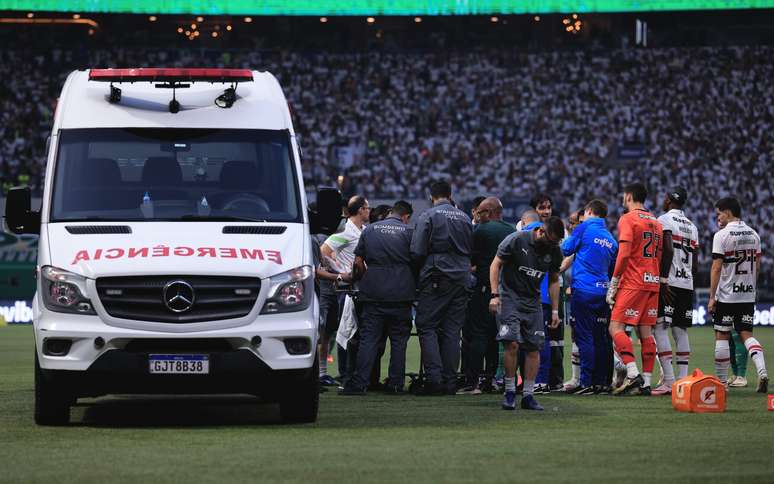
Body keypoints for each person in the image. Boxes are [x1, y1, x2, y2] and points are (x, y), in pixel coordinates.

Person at [340, 201, 416, 395]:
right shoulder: (409, 232)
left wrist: (363, 277)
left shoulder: (370, 230)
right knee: (399, 341)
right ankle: (396, 384)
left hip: (373, 291)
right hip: (401, 292)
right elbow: (417, 260)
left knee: (369, 340)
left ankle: (360, 384)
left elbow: (358, 262)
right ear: (405, 216)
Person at [490, 216, 564, 411]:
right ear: (541, 231)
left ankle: (528, 396)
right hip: (510, 298)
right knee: (512, 343)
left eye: (555, 243)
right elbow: (495, 264)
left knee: (533, 348)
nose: (552, 245)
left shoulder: (554, 250)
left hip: (533, 302)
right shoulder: (516, 240)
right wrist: (494, 295)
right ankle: (509, 392)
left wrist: (555, 310)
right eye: (550, 241)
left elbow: (554, 279)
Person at [411, 180, 473, 395]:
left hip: (437, 276)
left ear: (432, 196)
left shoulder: (429, 215)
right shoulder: (465, 217)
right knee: (452, 331)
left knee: (426, 325)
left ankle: (434, 380)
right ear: (450, 194)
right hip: (462, 277)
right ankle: (450, 381)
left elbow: (418, 251)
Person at [606, 182, 665, 396]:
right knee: (645, 332)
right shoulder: (656, 222)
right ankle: (646, 383)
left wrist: (614, 283)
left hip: (633, 281)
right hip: (652, 281)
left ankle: (632, 373)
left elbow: (623, 254)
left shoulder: (627, 219)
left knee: (615, 328)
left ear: (629, 196)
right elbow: (659, 254)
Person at [709, 197, 768, 392]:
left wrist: (712, 297)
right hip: (747, 294)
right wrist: (751, 287)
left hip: (727, 294)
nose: (718, 217)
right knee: (746, 335)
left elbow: (717, 267)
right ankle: (762, 371)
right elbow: (757, 267)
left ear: (727, 212)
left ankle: (722, 383)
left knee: (722, 334)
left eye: (719, 213)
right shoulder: (754, 235)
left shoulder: (722, 235)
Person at [561, 199, 618, 394]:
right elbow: (613, 270)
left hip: (583, 291)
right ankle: (602, 383)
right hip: (603, 292)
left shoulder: (584, 228)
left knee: (584, 337)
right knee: (601, 338)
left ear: (589, 211)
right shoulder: (611, 239)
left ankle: (586, 383)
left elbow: (566, 249)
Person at [460, 197, 515, 394]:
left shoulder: (480, 231)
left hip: (484, 289)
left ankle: (472, 382)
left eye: (480, 212)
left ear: (490, 212)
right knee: (495, 337)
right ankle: (491, 380)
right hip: (506, 293)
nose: (477, 216)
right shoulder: (512, 231)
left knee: (477, 336)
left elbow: (469, 260)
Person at [651, 188, 699, 395]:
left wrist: (663, 280)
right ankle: (683, 379)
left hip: (669, 281)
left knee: (660, 328)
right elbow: (695, 259)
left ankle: (669, 381)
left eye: (665, 197)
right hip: (686, 281)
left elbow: (668, 249)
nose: (663, 200)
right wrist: (690, 279)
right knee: (680, 330)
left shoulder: (664, 219)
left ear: (669, 200)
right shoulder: (692, 226)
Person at [321, 195, 370, 386]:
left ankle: (353, 373)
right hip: (347, 290)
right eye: (367, 207)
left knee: (357, 334)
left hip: (361, 288)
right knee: (346, 333)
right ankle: (344, 374)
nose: (369, 210)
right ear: (360, 210)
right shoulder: (346, 231)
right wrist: (339, 272)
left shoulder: (362, 230)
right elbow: (323, 250)